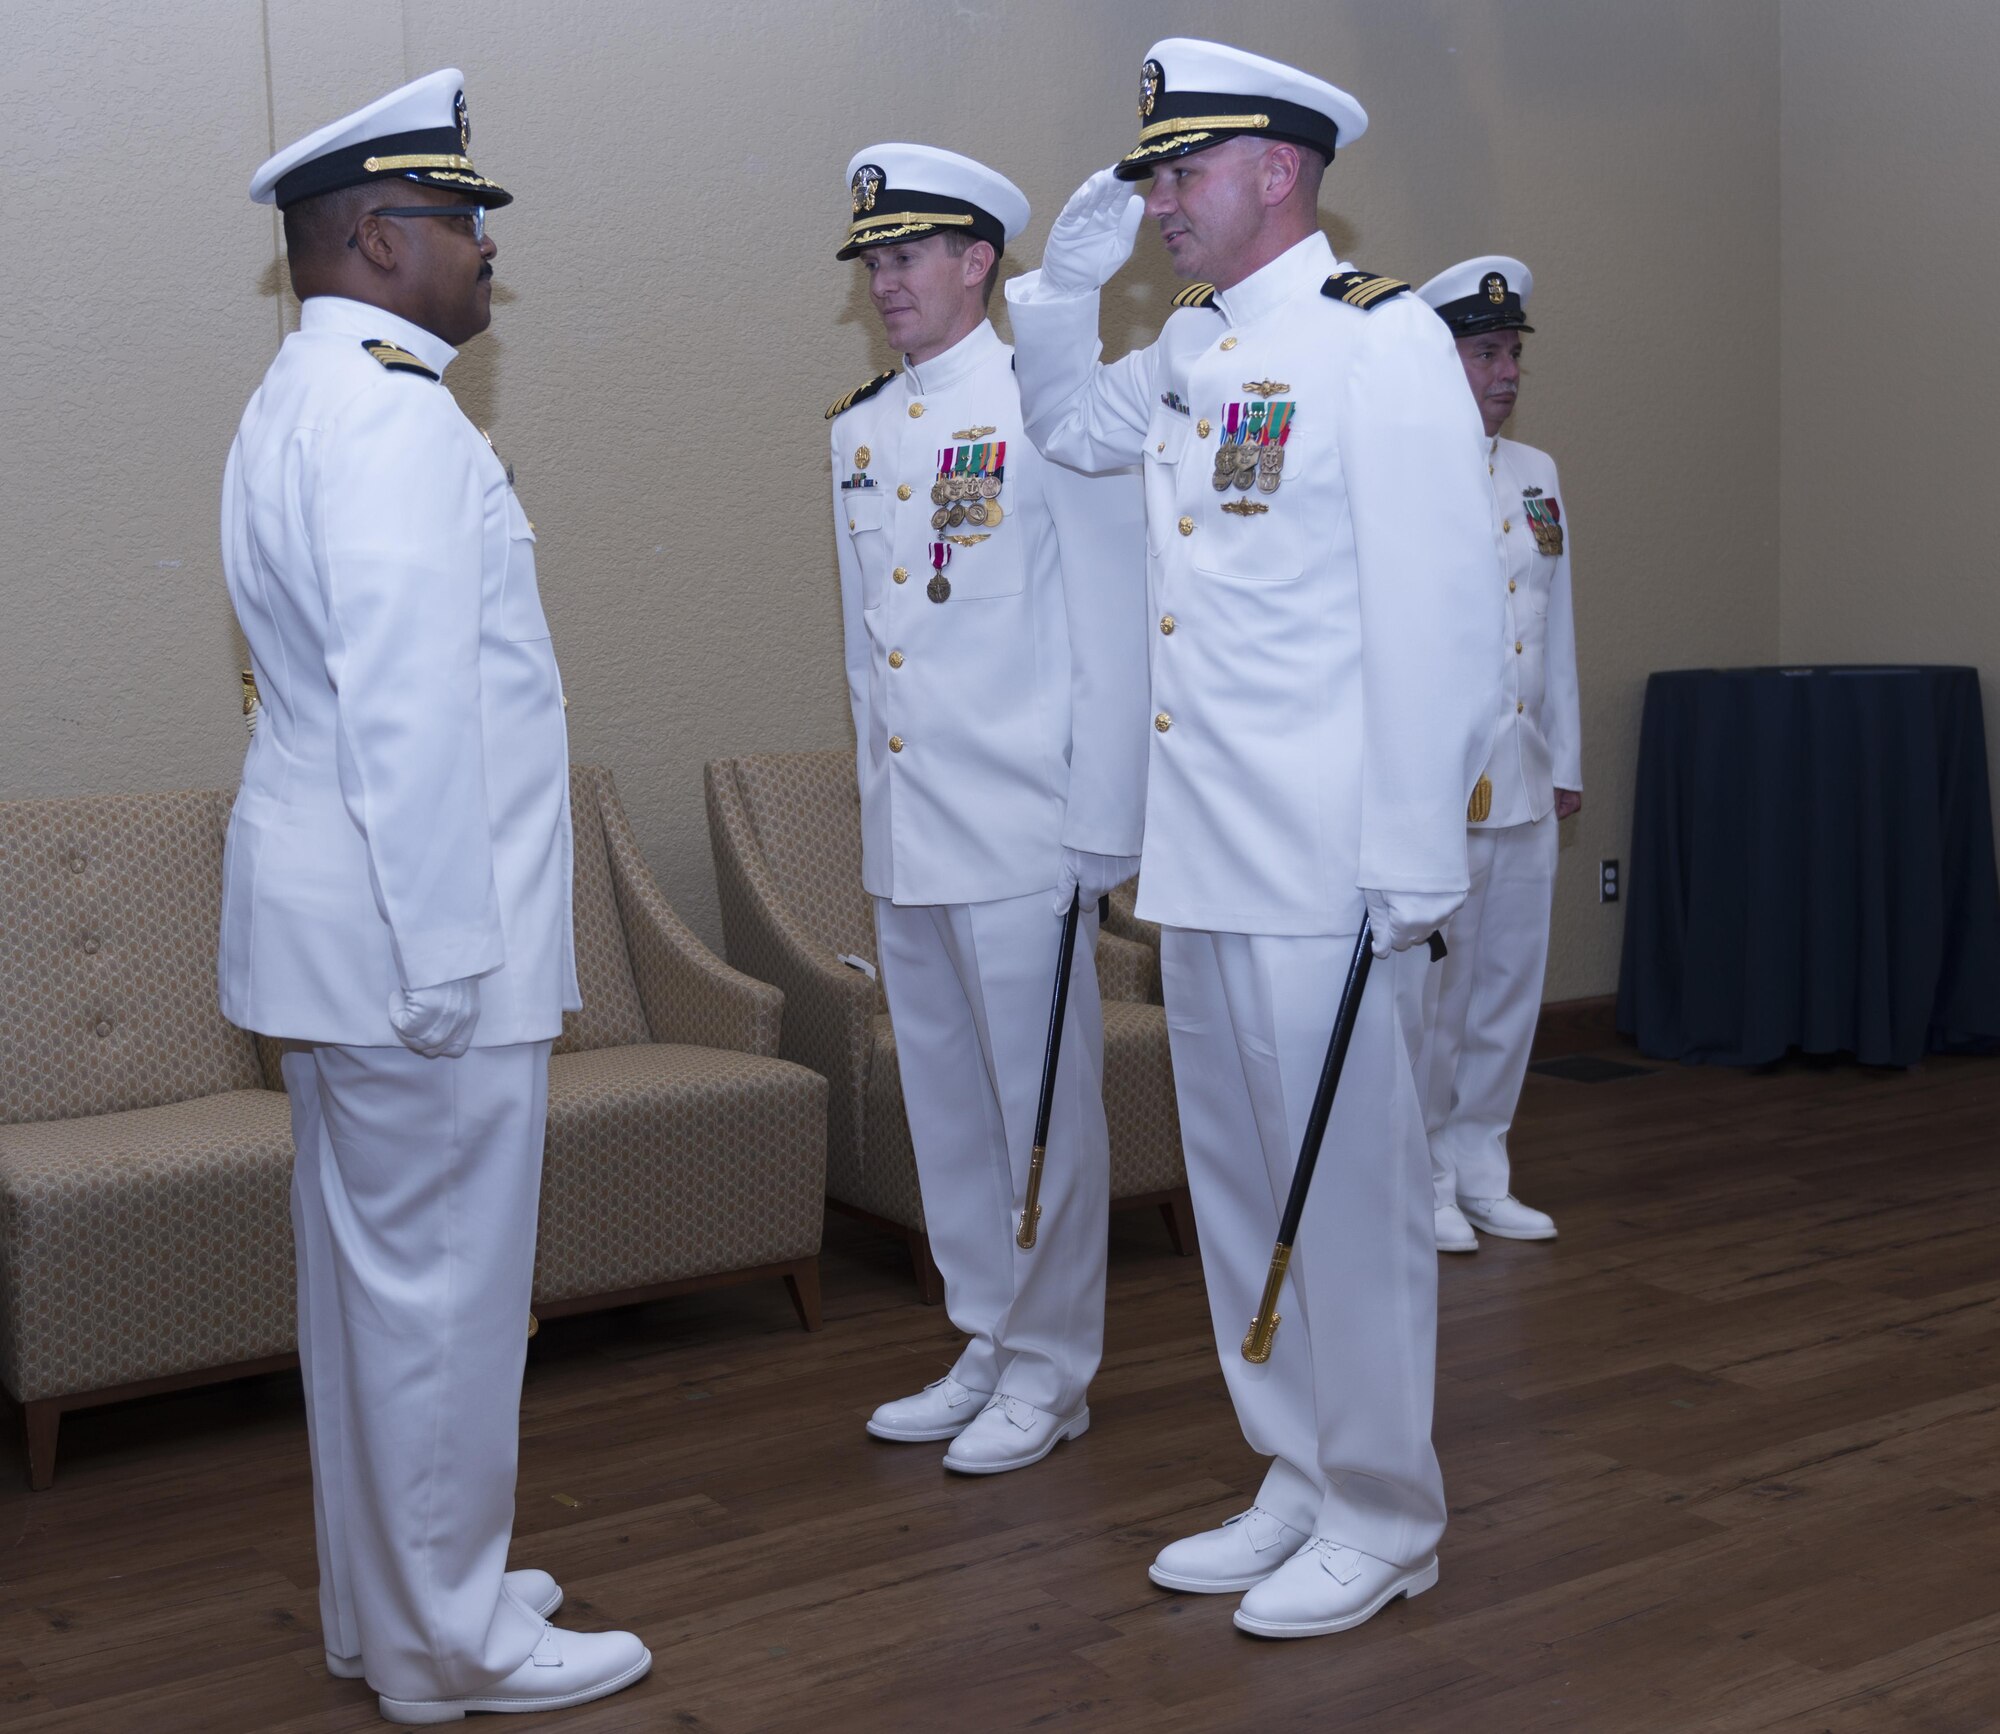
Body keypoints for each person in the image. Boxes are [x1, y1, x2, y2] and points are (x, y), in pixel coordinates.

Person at [1004, 39, 1501, 1637]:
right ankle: (1294, 1465)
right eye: (1151, 174)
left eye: (1180, 172)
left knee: (1350, 1196)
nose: (1158, 200)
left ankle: (1386, 1507)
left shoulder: (1382, 341)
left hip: (1333, 861)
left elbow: (1445, 611)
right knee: (1242, 1186)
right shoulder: (1198, 346)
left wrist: (1419, 843)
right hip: (1210, 854)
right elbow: (1073, 431)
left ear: (1276, 171)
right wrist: (1058, 297)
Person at [222, 69, 649, 1723]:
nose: (487, 259)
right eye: (467, 226)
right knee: (445, 1304)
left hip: (335, 941)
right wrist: (451, 963)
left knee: (371, 1299)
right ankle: (449, 1641)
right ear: (383, 235)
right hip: (416, 946)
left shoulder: (301, 394)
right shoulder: (394, 420)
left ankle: (387, 1601)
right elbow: (406, 717)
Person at [827, 144, 1149, 1475]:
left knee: (1038, 1109)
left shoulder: (1043, 403)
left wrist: (1102, 825)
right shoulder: (858, 430)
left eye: (907, 257)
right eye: (872, 263)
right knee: (951, 1106)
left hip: (1029, 827)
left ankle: (1054, 1365)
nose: (884, 283)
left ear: (979, 261)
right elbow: (868, 651)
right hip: (914, 826)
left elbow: (1113, 628)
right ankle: (986, 1334)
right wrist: (875, 812)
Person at [1414, 257, 1581, 1253]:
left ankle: (1482, 1164)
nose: (1504, 371)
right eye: (1483, 352)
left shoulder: (1535, 475)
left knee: (1508, 984)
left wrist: (1562, 758)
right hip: (1436, 780)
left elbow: (1551, 622)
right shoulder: (1401, 474)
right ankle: (1424, 1175)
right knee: (1434, 992)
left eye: (1511, 352)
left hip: (1520, 770)